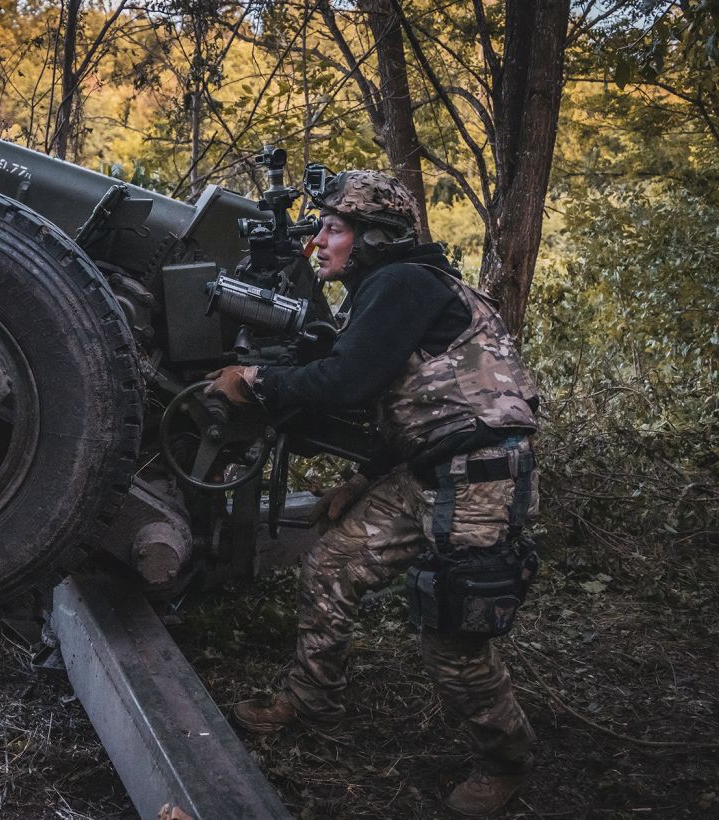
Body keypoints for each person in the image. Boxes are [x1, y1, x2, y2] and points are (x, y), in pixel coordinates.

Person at [206, 170, 540, 817]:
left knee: (453, 632)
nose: (320, 242)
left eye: (333, 228)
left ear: (373, 238)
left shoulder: (402, 282)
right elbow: (413, 402)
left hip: (481, 479)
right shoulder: (390, 288)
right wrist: (363, 478)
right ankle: (309, 698)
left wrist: (255, 379)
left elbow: (349, 381)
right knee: (332, 564)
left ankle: (505, 760)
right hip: (431, 468)